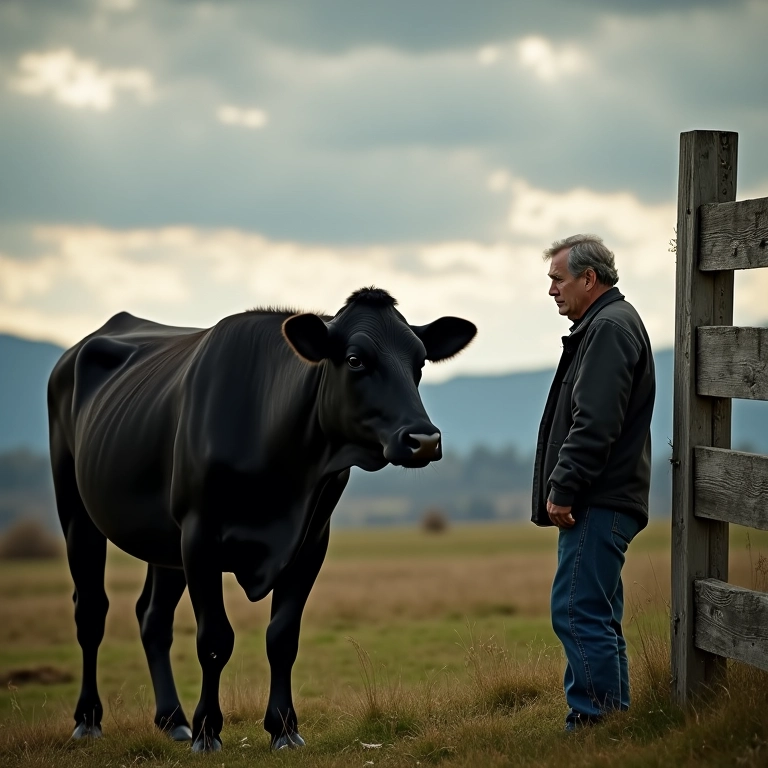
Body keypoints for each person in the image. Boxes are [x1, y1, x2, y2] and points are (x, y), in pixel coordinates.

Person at [531, 234, 655, 731]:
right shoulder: (609, 323)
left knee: (577, 611)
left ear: (588, 278)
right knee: (596, 613)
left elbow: (595, 422)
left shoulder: (607, 328)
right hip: (607, 495)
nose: (552, 291)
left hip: (598, 498)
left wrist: (564, 487)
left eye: (558, 280)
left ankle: (592, 724)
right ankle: (613, 723)